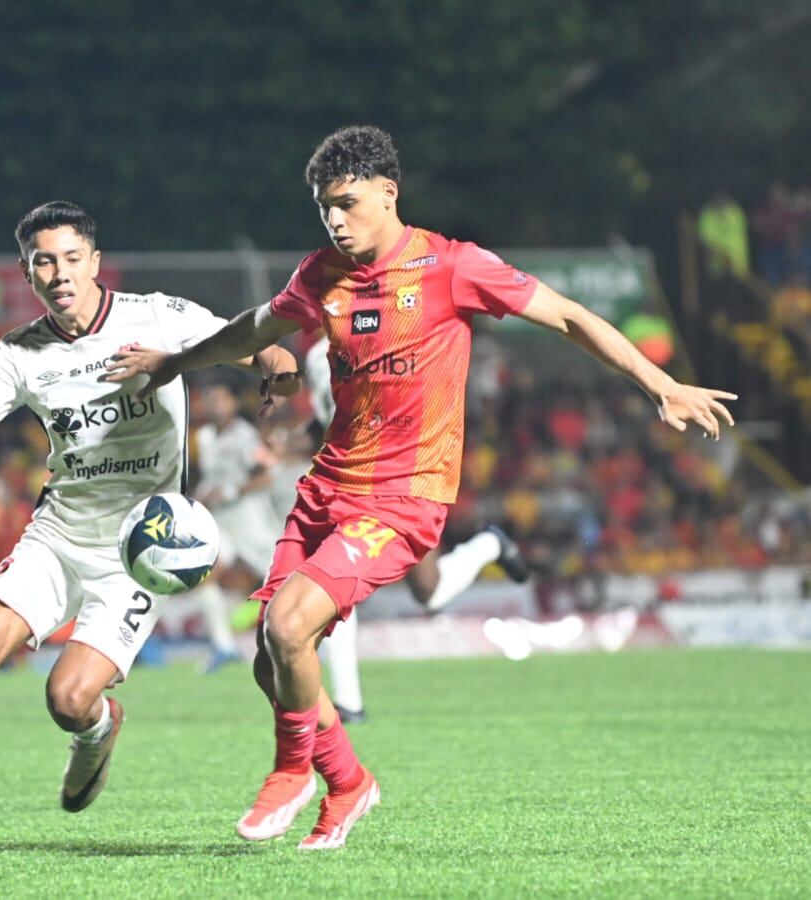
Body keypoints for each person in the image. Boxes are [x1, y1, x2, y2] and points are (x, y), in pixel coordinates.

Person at [106, 125, 737, 850]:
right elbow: (255, 327)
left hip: (403, 498)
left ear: (387, 193)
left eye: (346, 203)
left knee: (285, 628)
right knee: (271, 663)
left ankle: (291, 771)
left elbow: (566, 315)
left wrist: (659, 384)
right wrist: (177, 361)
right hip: (325, 489)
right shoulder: (322, 275)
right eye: (323, 209)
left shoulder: (451, 266)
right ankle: (348, 784)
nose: (335, 220)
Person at [0, 201, 297, 863]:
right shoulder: (18, 352)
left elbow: (257, 343)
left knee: (66, 699)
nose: (59, 272)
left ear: (94, 261)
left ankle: (95, 728)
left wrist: (280, 373)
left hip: (137, 550)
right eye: (44, 261)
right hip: (57, 533)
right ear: (27, 272)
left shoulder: (159, 316)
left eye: (71, 258)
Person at [303, 336, 529, 723]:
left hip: (401, 480)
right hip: (349, 484)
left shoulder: (392, 342)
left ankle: (489, 545)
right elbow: (323, 421)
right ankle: (350, 704)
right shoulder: (315, 355)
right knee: (335, 584)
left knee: (430, 591)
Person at [191, 380, 284, 674]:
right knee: (204, 575)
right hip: (221, 524)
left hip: (251, 522)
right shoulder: (204, 436)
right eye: (210, 399)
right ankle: (223, 646)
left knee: (280, 585)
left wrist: (231, 491)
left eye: (220, 399)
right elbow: (210, 476)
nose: (214, 405)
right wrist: (198, 498)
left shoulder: (246, 436)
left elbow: (268, 475)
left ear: (232, 403)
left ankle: (301, 640)